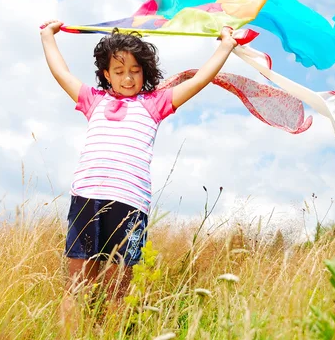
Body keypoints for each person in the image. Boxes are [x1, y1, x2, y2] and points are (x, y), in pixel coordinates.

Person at [39, 20, 237, 302]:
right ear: (107, 74)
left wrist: (226, 46)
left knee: (118, 287)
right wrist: (48, 37)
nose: (128, 78)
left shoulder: (154, 104)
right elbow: (61, 72)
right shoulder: (93, 100)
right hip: (87, 198)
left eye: (135, 71)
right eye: (119, 71)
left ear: (144, 72)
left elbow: (198, 81)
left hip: (130, 203)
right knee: (78, 283)